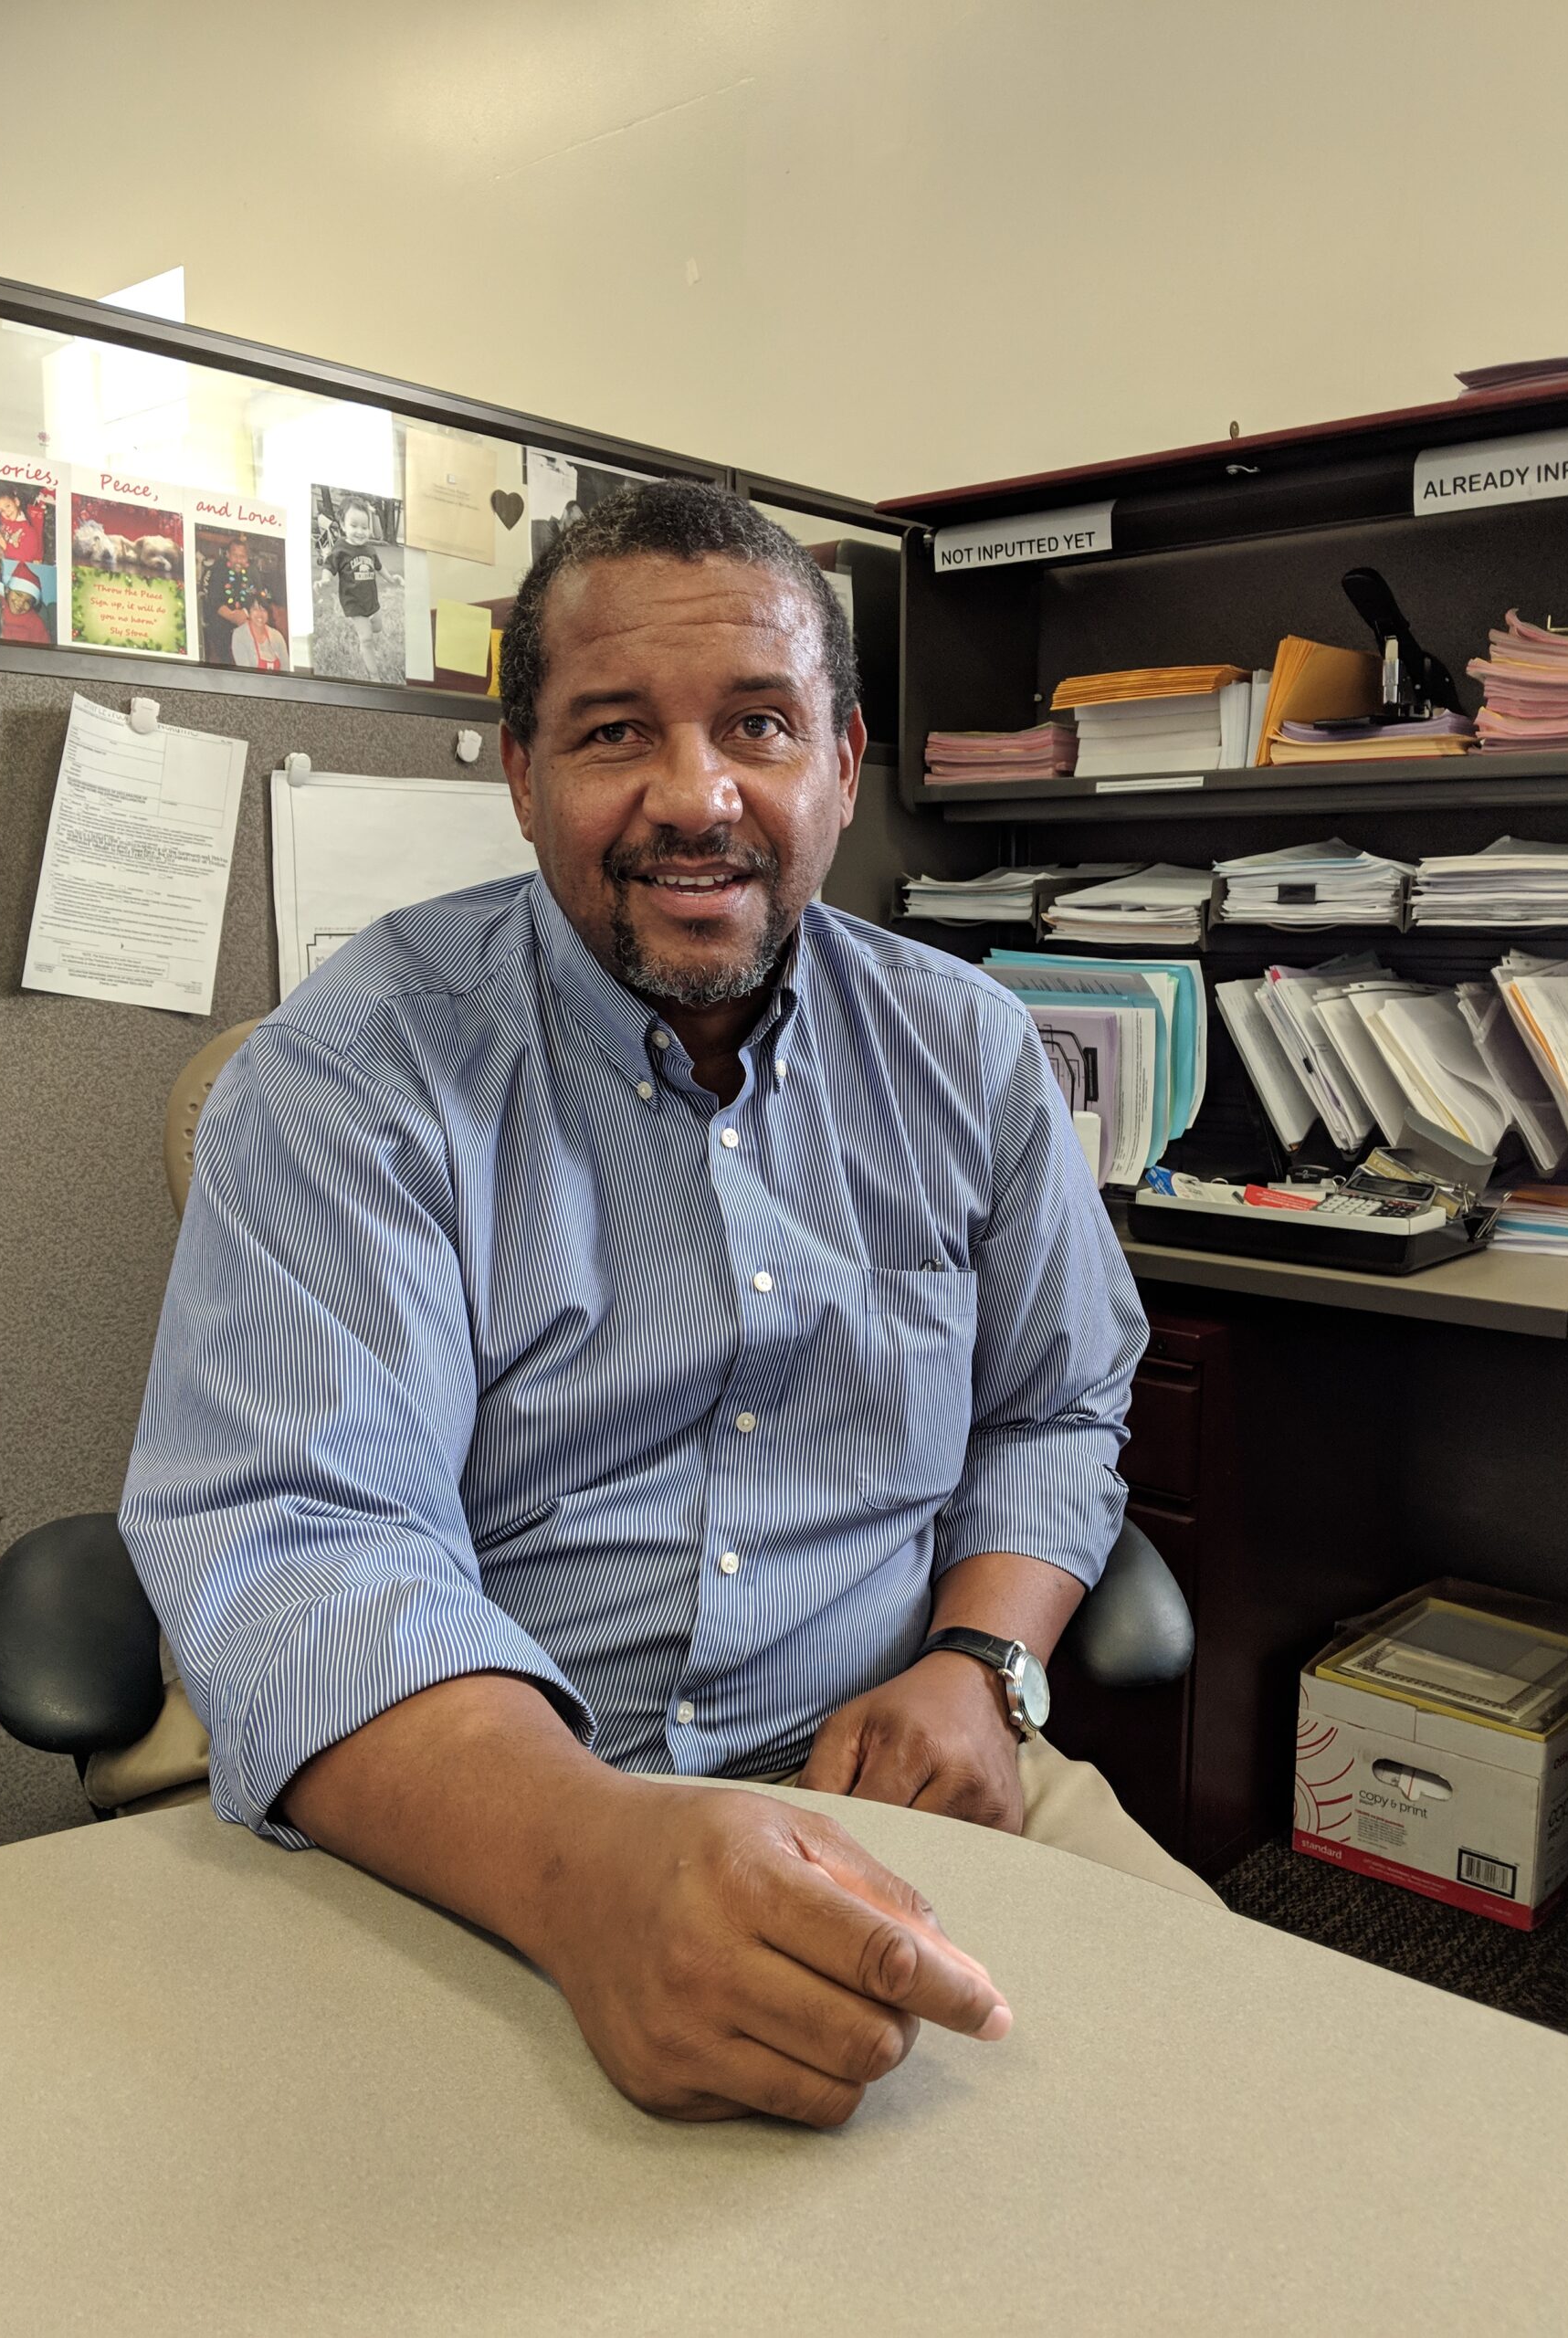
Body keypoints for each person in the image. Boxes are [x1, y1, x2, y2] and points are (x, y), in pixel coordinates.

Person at [121, 483, 1215, 2137]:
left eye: (759, 727)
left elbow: (1054, 1405)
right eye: (616, 731)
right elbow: (304, 1540)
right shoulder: (350, 1083)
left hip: (896, 1765)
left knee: (1228, 2110)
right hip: (482, 1817)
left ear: (845, 763)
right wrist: (591, 1863)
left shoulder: (970, 1054)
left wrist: (982, 1666)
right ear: (522, 773)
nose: (694, 799)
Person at [318, 495, 395, 680]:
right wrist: (324, 580)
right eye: (354, 526)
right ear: (343, 526)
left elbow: (379, 567)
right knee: (367, 639)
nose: (360, 531)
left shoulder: (369, 550)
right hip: (354, 603)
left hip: (372, 601)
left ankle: (369, 623)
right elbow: (329, 566)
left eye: (364, 527)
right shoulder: (340, 549)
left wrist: (392, 579)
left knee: (377, 628)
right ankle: (374, 675)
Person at [200, 532, 256, 667]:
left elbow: (257, 596)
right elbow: (214, 600)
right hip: (222, 616)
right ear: (228, 555)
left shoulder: (252, 572)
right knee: (220, 632)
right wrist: (231, 616)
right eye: (235, 556)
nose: (238, 560)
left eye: (242, 557)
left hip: (246, 616)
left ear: (247, 558)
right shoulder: (218, 569)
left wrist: (245, 613)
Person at [228, 585, 289, 671]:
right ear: (249, 612)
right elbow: (245, 673)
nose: (260, 614)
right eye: (255, 609)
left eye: (263, 610)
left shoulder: (277, 636)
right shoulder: (240, 635)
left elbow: (286, 669)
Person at [0, 562, 50, 644]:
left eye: (28, 601)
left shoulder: (35, 623)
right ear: (7, 590)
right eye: (18, 594)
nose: (21, 603)